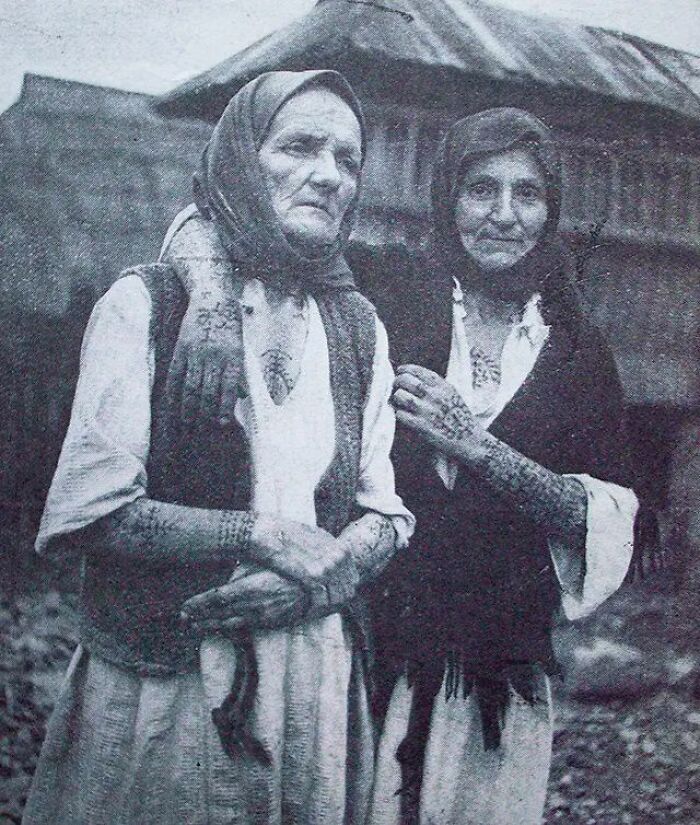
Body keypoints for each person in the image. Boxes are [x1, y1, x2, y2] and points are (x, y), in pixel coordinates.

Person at [168, 106, 640, 825]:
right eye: (481, 189)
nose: (504, 214)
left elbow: (603, 517)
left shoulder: (575, 348)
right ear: (447, 197)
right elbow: (213, 219)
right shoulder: (385, 289)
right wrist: (208, 301)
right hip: (360, 654)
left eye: (528, 194)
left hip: (493, 683)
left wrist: (479, 447)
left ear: (552, 211)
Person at [23, 70, 413, 825]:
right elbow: (90, 514)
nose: (328, 175)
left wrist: (315, 585)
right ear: (239, 158)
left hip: (310, 681)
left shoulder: (359, 327)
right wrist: (260, 534)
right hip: (166, 687)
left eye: (347, 159)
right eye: (298, 147)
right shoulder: (149, 304)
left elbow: (384, 513)